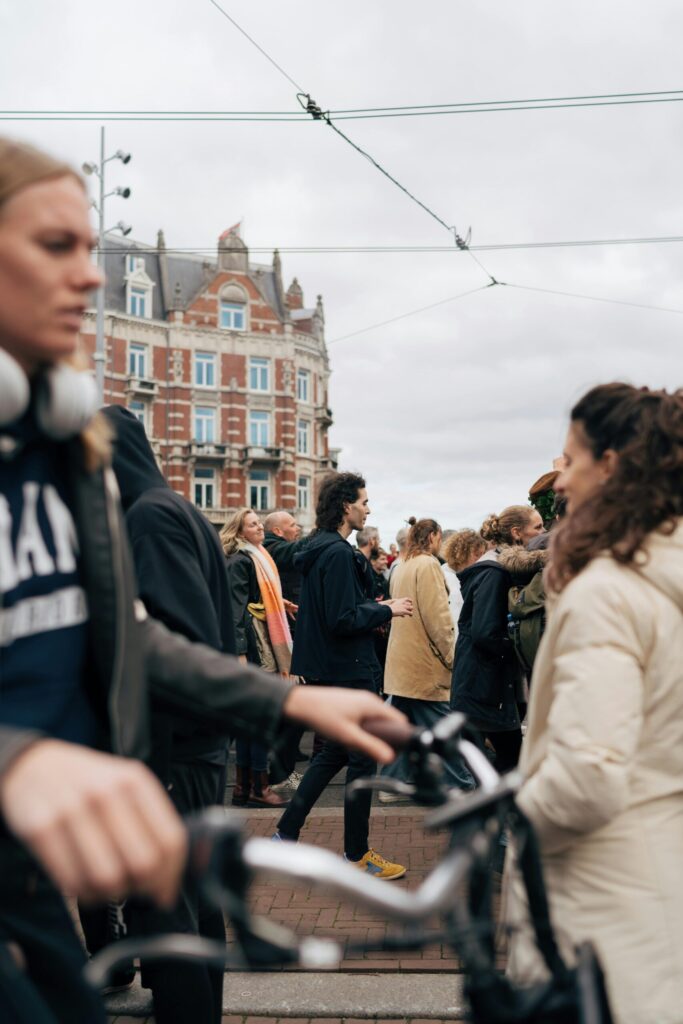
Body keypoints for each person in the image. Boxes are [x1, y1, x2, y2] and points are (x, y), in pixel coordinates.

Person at [0, 137, 408, 1023]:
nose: (92, 278)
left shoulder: (55, 460)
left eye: (90, 248)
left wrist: (285, 701)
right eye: (55, 246)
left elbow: (128, 634)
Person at [506, 383, 683, 1024]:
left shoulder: (607, 591)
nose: (561, 482)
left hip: (603, 909)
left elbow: (587, 775)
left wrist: (513, 815)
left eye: (572, 461)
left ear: (610, 466)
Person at [96, 403, 231, 1024]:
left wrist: (151, 759)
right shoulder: (179, 510)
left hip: (174, 749)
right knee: (198, 902)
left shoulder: (147, 520)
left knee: (163, 907)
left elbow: (178, 642)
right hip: (198, 745)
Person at [274, 472, 413, 879]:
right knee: (362, 757)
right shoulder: (335, 553)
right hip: (351, 668)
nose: (368, 508)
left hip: (331, 667)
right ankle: (358, 853)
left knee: (332, 753)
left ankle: (286, 832)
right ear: (345, 506)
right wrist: (387, 608)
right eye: (364, 502)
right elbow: (342, 617)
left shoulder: (321, 549)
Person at [381, 517, 473, 800]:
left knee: (402, 726)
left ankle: (389, 784)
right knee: (443, 725)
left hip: (401, 659)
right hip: (424, 660)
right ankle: (462, 783)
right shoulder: (429, 564)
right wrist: (449, 654)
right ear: (432, 536)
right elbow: (438, 616)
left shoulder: (403, 565)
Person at [450, 505, 543, 773]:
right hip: (485, 686)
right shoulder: (494, 572)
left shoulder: (494, 569)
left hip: (483, 684)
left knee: (494, 769)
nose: (543, 532)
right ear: (516, 533)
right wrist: (517, 645)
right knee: (506, 766)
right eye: (537, 527)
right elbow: (485, 632)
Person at [221, 508, 292, 808]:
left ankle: (244, 788)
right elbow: (236, 611)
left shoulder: (256, 556)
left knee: (250, 721)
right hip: (253, 649)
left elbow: (256, 598)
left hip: (255, 644)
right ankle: (257, 788)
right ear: (240, 533)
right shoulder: (242, 560)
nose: (260, 526)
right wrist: (239, 655)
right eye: (252, 524)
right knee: (259, 719)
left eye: (259, 522)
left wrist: (281, 603)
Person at [441, 528, 487, 633]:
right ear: (461, 552)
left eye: (483, 554)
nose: (480, 559)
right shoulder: (447, 578)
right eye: (476, 554)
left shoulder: (464, 575)